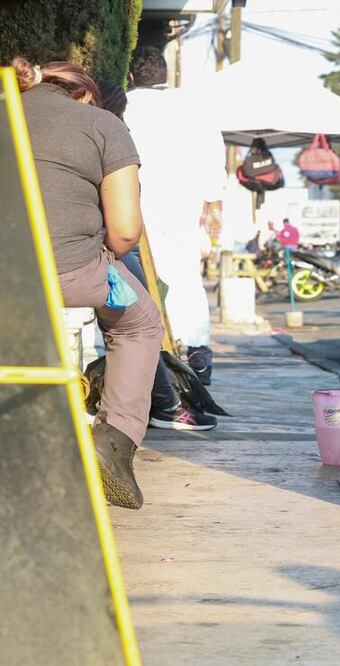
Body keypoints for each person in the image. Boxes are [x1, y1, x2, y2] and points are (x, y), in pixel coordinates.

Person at [16, 57, 163, 509]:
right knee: (141, 324)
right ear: (83, 94)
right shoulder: (102, 124)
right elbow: (125, 230)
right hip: (68, 274)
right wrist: (105, 257)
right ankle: (113, 441)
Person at [96, 79, 217, 431]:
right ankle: (164, 406)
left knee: (140, 309)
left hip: (76, 249)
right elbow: (123, 232)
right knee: (145, 322)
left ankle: (152, 404)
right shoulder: (110, 136)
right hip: (95, 251)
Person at [124, 45, 224, 389]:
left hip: (135, 200)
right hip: (183, 202)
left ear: (132, 75)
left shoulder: (124, 105)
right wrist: (213, 204)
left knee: (136, 278)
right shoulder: (194, 105)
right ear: (165, 75)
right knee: (185, 276)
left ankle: (147, 353)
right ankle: (197, 352)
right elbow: (214, 155)